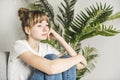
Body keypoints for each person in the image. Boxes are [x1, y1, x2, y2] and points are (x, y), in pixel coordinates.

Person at [8, 7, 87, 80]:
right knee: (51, 58)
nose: (45, 29)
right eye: (39, 26)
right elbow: (51, 68)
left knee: (67, 58)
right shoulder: (19, 45)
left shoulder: (46, 47)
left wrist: (60, 39)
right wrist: (79, 57)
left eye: (46, 25)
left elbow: (79, 65)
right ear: (28, 30)